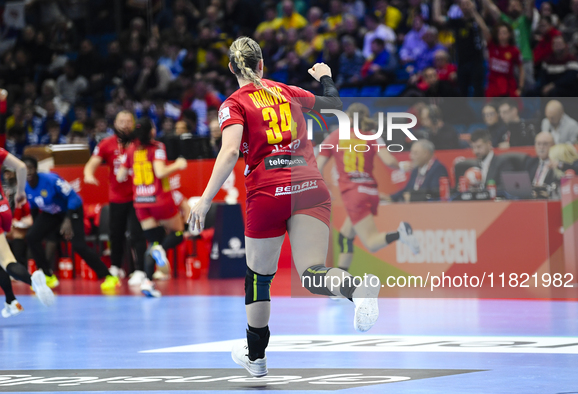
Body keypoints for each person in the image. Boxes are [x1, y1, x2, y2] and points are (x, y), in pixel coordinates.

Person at [188, 37, 383, 378]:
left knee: (258, 279)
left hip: (267, 192)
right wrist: (325, 75)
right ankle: (357, 288)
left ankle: (257, 358)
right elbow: (333, 102)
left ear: (232, 68)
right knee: (312, 273)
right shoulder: (288, 91)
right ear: (262, 64)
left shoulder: (233, 104)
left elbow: (231, 151)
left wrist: (204, 200)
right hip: (310, 185)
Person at [316, 103, 419, 273]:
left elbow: (318, 166)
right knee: (345, 237)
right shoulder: (372, 136)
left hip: (353, 194)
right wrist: (402, 166)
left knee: (371, 243)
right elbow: (390, 161)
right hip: (370, 192)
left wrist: (322, 190)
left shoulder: (335, 136)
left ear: (348, 118)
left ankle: (401, 234)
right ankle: (341, 284)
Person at [23, 156, 120, 292]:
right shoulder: (25, 186)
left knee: (78, 245)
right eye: (25, 169)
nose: (28, 172)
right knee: (32, 236)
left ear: (36, 169)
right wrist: (37, 226)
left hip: (71, 209)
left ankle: (109, 277)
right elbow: (33, 207)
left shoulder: (51, 180)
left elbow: (73, 197)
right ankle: (48, 275)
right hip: (51, 213)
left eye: (31, 168)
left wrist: (68, 219)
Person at [116, 117, 188, 298]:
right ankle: (161, 250)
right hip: (159, 200)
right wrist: (178, 164)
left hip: (141, 202)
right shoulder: (157, 147)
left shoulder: (131, 149)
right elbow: (160, 172)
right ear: (151, 132)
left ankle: (148, 282)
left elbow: (120, 176)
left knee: (153, 242)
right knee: (179, 234)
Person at [84, 110, 148, 285]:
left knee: (137, 234)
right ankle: (115, 267)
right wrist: (89, 174)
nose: (125, 124)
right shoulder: (106, 143)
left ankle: (140, 270)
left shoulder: (139, 143)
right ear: (115, 123)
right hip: (117, 197)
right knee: (116, 234)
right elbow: (92, 163)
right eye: (122, 121)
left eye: (129, 121)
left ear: (134, 124)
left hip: (138, 196)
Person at [0, 152, 55, 317]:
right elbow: (22, 167)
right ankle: (11, 301)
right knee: (3, 260)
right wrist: (21, 192)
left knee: (6, 261)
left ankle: (32, 281)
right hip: (3, 208)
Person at [433, 0, 485, 97]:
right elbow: (437, 18)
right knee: (462, 93)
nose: (465, 6)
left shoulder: (477, 20)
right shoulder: (457, 22)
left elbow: (485, 30)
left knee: (478, 92)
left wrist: (473, 12)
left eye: (467, 4)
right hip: (462, 62)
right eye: (463, 4)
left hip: (477, 61)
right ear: (459, 7)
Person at [477, 20, 524, 97]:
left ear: (509, 34)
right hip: (493, 85)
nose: (501, 35)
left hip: (509, 85)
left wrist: (520, 88)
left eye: (504, 32)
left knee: (508, 108)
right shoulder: (492, 45)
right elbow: (484, 28)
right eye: (499, 33)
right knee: (488, 109)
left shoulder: (514, 50)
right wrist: (473, 12)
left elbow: (521, 69)